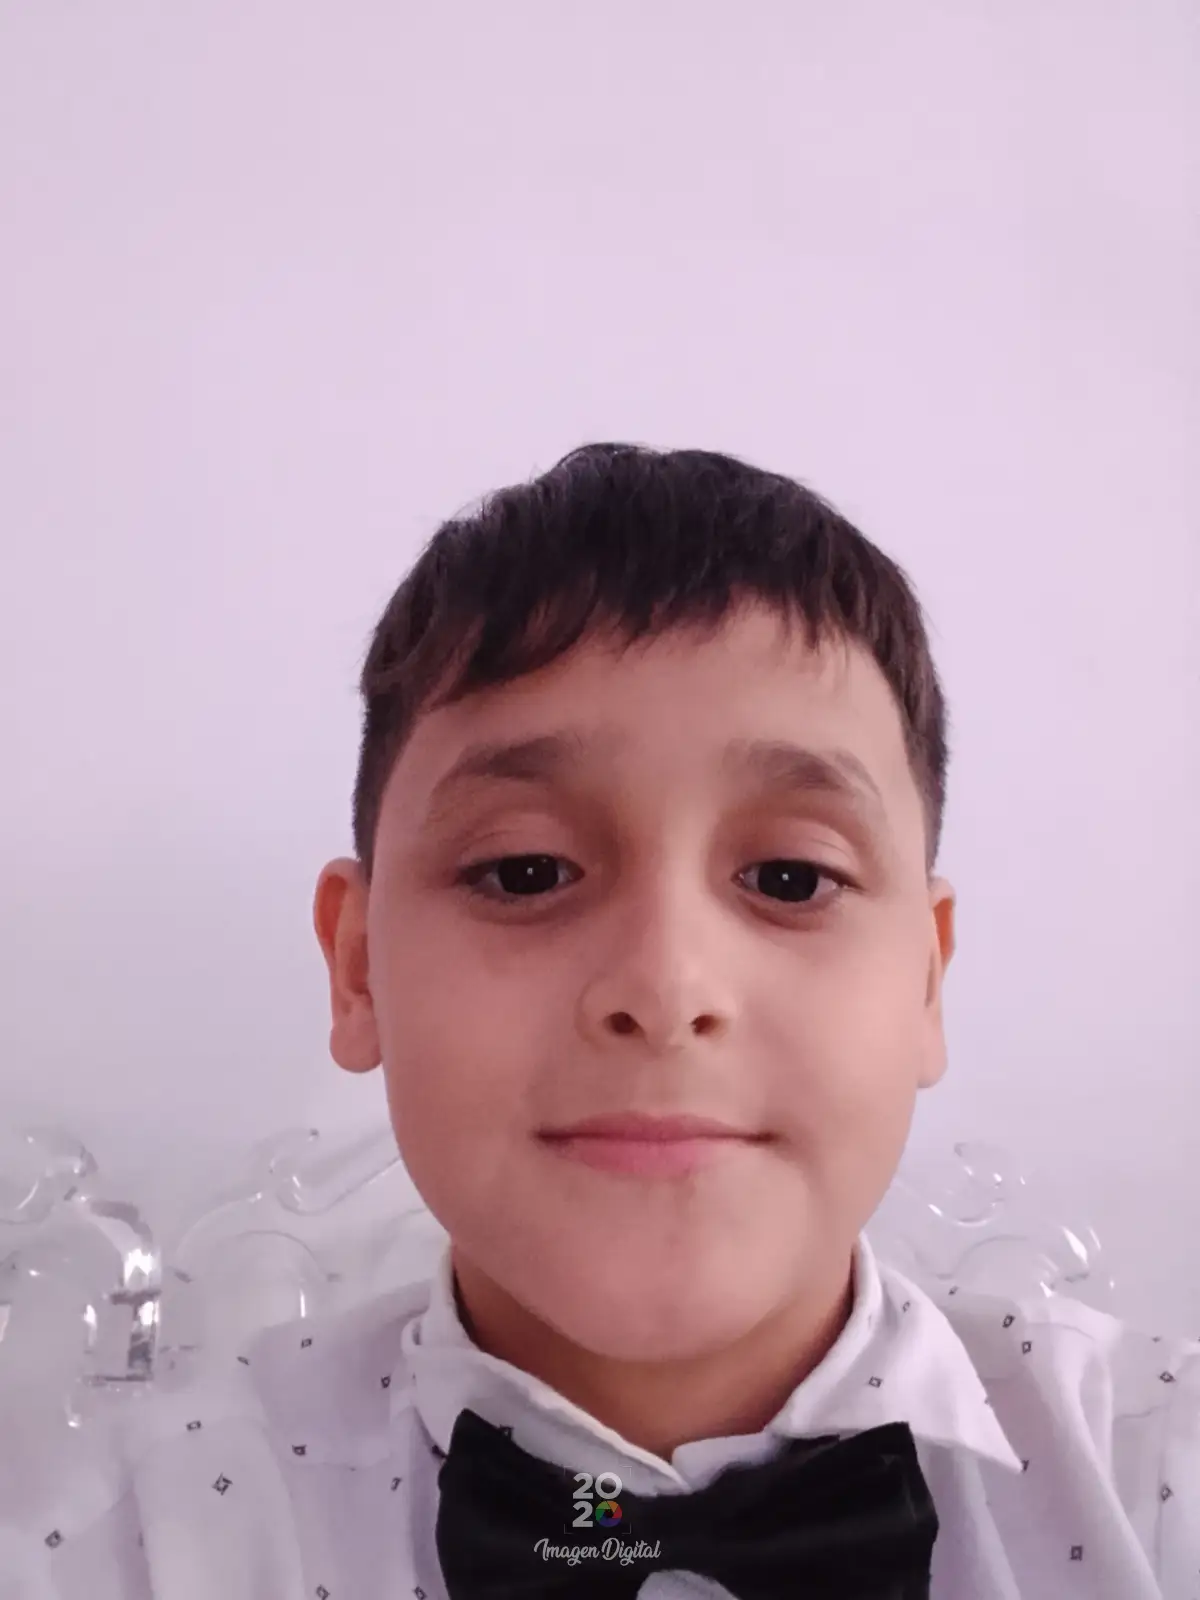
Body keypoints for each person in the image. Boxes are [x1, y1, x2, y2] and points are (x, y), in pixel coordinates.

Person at [19, 444, 1199, 1597]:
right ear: (359, 968)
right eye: (525, 871)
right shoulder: (114, 1542)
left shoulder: (1158, 1483)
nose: (666, 986)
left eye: (790, 878)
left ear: (926, 983)